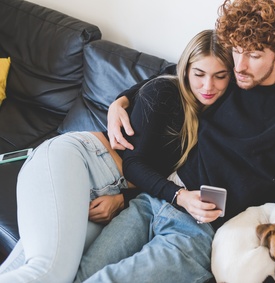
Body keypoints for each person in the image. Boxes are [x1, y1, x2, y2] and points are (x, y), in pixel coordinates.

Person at [77, 0, 275, 282]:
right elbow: (177, 72)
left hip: (200, 229)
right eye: (236, 51)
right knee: (83, 272)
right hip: (152, 201)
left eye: (255, 56)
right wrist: (120, 101)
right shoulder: (224, 78)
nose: (240, 66)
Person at [0, 29, 233, 283]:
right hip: (81, 162)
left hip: (105, 193)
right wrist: (180, 197)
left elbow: (146, 174)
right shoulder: (166, 94)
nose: (208, 86)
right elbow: (133, 164)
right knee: (48, 272)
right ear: (186, 70)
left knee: (45, 271)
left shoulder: (213, 111)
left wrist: (123, 198)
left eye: (219, 76)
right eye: (199, 74)